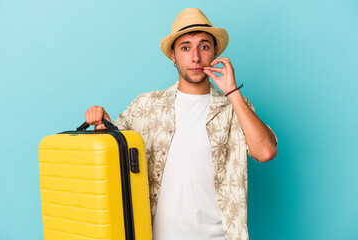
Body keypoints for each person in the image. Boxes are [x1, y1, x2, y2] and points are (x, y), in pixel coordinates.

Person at [85, 8, 278, 240]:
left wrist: (232, 92)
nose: (195, 57)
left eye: (204, 46)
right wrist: (101, 123)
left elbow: (266, 151)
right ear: (173, 56)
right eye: (185, 48)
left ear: (215, 52)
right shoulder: (147, 105)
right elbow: (113, 150)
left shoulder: (234, 108)